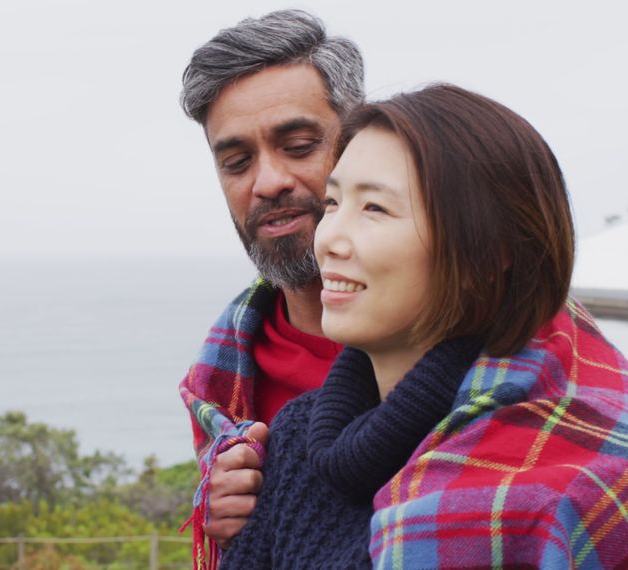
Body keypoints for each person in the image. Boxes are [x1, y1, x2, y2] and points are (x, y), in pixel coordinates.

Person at [219, 83, 628, 568]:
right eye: (332, 204)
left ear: (489, 254)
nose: (329, 238)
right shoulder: (295, 438)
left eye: (374, 208)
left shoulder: (573, 482)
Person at [175, 9, 364, 567]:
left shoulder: (480, 321)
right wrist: (224, 515)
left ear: (358, 141)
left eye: (300, 146)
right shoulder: (221, 379)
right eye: (236, 161)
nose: (268, 182)